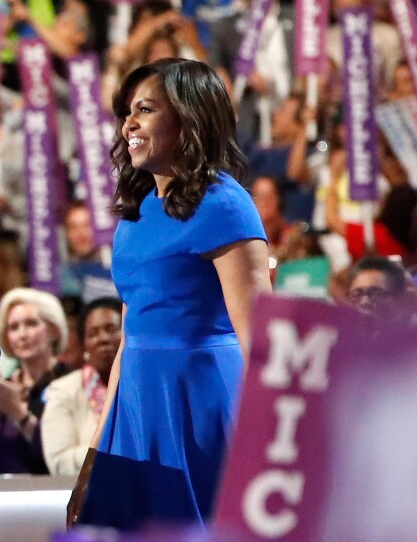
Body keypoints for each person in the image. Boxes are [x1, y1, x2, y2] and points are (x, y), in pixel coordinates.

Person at [68, 59, 271, 530]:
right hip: (136, 407)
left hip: (199, 407)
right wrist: (96, 454)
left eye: (145, 110)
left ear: (189, 117)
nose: (128, 125)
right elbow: (127, 341)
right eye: (126, 113)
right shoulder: (136, 214)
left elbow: (260, 338)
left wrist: (275, 445)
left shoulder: (225, 203)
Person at [42, 297, 122, 476]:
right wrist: (118, 451)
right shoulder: (63, 390)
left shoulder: (144, 389)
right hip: (86, 496)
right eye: (93, 333)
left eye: (111, 329)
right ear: (84, 345)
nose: (103, 339)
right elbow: (59, 462)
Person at [0, 287, 70, 474]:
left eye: (31, 324)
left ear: (54, 330)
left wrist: (18, 413)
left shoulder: (72, 383)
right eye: (13, 327)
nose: (22, 335)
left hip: (55, 495)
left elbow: (60, 457)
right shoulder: (2, 387)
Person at [344, 256, 417, 328]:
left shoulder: (416, 341)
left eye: (376, 294)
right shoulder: (338, 339)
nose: (365, 302)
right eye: (356, 294)